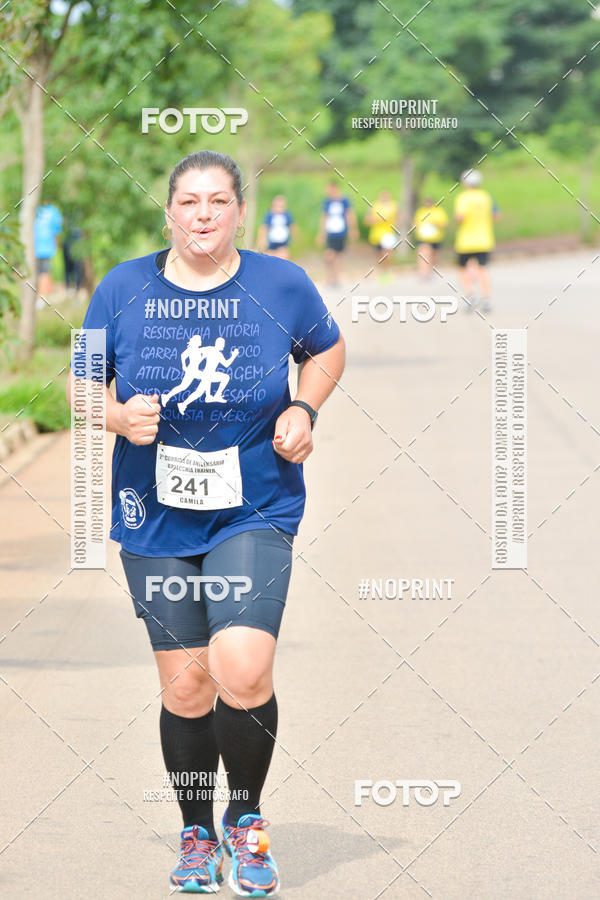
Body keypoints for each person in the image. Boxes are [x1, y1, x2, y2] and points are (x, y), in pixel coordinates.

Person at [66, 150, 345, 896]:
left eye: (218, 201)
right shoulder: (122, 288)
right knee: (188, 687)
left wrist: (303, 407)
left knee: (243, 669)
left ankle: (245, 822)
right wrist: (116, 416)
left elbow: (327, 348)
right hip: (155, 516)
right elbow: (80, 384)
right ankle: (197, 832)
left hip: (254, 508)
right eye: (189, 201)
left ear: (240, 212)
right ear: (169, 213)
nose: (203, 215)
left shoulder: (281, 284)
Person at [454, 169, 499, 312]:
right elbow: (495, 215)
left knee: (462, 268)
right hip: (484, 239)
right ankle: (486, 298)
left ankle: (470, 295)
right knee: (482, 269)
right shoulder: (486, 197)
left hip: (466, 241)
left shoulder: (463, 198)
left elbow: (460, 217)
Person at [317, 180, 359, 286]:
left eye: (329, 188)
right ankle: (330, 276)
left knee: (338, 255)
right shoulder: (327, 202)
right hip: (330, 232)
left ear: (334, 188)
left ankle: (336, 278)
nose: (327, 191)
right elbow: (324, 218)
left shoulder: (344, 201)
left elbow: (349, 215)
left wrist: (353, 229)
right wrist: (321, 233)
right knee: (329, 255)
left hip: (340, 232)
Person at [364, 189, 399, 276]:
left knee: (387, 253)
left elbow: (399, 219)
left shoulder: (394, 205)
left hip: (388, 234)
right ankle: (382, 271)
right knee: (379, 256)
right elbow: (367, 220)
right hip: (376, 235)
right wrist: (377, 220)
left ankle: (387, 270)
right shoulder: (374, 206)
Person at [413, 196, 448, 280]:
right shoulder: (421, 211)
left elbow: (444, 225)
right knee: (423, 255)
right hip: (423, 238)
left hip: (436, 238)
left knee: (434, 256)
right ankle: (423, 273)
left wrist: (435, 224)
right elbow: (415, 223)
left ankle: (431, 271)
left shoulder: (438, 212)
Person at [34, 201, 62, 299]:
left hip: (39, 246)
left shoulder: (36, 209)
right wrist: (56, 243)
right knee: (44, 271)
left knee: (42, 271)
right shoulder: (53, 211)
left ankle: (42, 294)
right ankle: (44, 293)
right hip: (45, 245)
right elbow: (57, 229)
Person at [257, 195, 296, 259]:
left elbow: (292, 227)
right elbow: (264, 228)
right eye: (276, 206)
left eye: (281, 206)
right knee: (269, 256)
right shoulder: (269, 215)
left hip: (283, 242)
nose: (278, 208)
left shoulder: (287, 215)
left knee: (283, 256)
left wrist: (295, 237)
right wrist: (261, 240)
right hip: (271, 242)